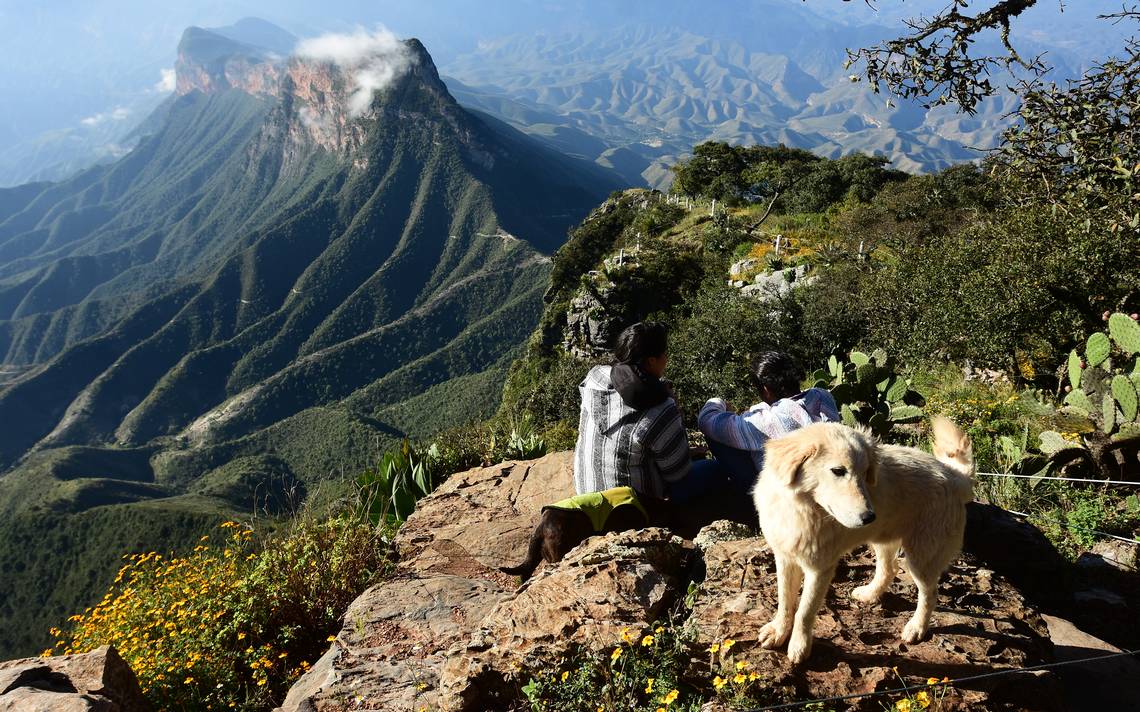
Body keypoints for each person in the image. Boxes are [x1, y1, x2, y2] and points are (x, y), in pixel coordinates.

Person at [573, 321, 694, 499]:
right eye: (664, 354)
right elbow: (678, 475)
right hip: (633, 513)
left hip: (587, 502)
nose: (667, 358)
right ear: (652, 361)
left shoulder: (595, 378)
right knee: (714, 470)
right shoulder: (660, 410)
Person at [696, 351, 840, 495]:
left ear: (765, 389)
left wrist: (718, 402)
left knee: (717, 438)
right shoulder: (822, 395)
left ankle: (750, 498)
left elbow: (707, 421)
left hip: (790, 493)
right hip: (828, 480)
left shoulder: (770, 421)